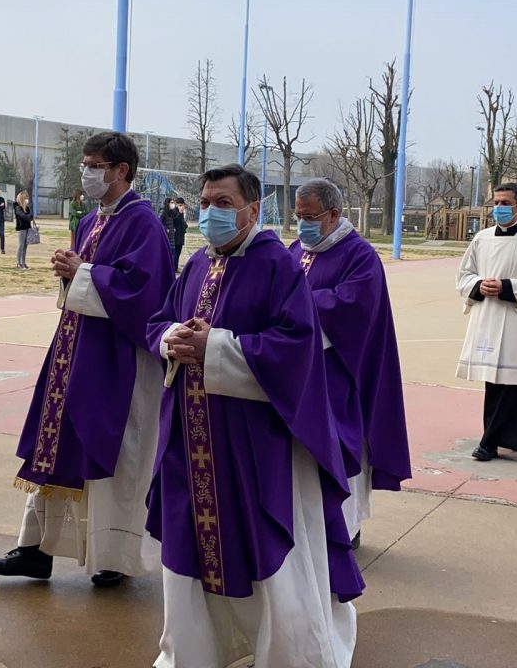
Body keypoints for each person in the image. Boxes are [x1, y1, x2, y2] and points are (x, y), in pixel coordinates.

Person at [146, 164, 362, 668]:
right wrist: (171, 339)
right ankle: (191, 654)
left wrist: (217, 346)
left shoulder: (276, 265)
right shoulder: (196, 263)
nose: (210, 213)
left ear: (252, 210)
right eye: (205, 203)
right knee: (189, 545)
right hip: (192, 440)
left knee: (263, 548)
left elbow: (297, 347)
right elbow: (161, 320)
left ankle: (289, 655)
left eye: (223, 204)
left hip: (253, 444)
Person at [0, 131, 174, 589]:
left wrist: (82, 273)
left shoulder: (143, 223)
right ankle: (35, 549)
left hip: (118, 363)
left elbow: (145, 293)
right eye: (85, 164)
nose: (86, 173)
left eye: (94, 165)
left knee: (117, 456)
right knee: (55, 446)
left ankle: (114, 557)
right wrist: (71, 270)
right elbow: (85, 284)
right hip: (75, 352)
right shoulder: (90, 221)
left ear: (121, 170)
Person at [287, 177, 410, 547]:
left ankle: (346, 529)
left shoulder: (360, 255)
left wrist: (298, 305)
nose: (302, 224)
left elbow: (353, 308)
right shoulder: (295, 250)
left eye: (309, 217)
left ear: (334, 214)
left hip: (340, 370)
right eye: (298, 216)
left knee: (341, 447)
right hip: (298, 371)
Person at [455, 182, 517, 462]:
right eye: (496, 203)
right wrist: (478, 285)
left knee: (512, 383)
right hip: (488, 317)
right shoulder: (482, 238)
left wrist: (506, 287)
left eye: (505, 203)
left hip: (516, 320)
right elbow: (464, 274)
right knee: (493, 383)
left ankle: (491, 441)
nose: (499, 208)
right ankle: (496, 438)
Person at [14, 191, 33, 270]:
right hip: (21, 228)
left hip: (27, 227)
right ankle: (19, 263)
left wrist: (29, 216)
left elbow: (30, 217)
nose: (27, 200)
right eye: (25, 198)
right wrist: (28, 216)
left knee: (25, 246)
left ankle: (23, 262)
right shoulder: (18, 208)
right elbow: (23, 216)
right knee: (21, 245)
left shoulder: (27, 208)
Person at [171, 197, 188, 273]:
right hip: (175, 235)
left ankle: (175, 267)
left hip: (181, 235)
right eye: (179, 205)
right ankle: (173, 268)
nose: (181, 207)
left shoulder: (183, 212)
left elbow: (182, 223)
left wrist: (185, 226)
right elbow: (175, 221)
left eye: (182, 205)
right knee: (175, 253)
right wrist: (180, 213)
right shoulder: (174, 211)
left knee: (178, 252)